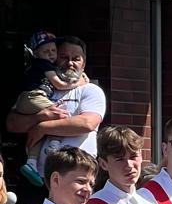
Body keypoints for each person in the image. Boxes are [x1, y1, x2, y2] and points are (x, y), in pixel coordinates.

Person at [10, 36, 106, 175]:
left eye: (76, 59)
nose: (70, 63)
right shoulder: (41, 88)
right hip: (39, 177)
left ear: (84, 64)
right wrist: (40, 117)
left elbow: (87, 123)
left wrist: (42, 128)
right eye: (64, 57)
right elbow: (12, 123)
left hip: (75, 175)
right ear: (54, 58)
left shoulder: (90, 90)